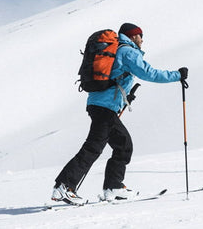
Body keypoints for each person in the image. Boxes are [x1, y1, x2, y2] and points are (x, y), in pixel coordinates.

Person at [51, 23, 188, 204]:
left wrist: (124, 97)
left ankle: (113, 187)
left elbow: (116, 78)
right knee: (94, 147)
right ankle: (64, 186)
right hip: (104, 108)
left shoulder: (118, 50)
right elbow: (150, 74)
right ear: (132, 36)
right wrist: (177, 75)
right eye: (140, 36)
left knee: (123, 145)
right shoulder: (127, 51)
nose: (142, 40)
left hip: (101, 106)